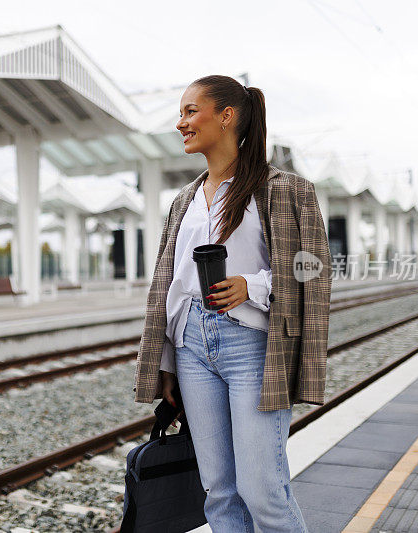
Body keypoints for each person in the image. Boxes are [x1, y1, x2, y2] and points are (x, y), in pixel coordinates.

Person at [133, 74, 332, 532]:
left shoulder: (285, 189)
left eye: (189, 111)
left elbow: (313, 269)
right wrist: (166, 360)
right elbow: (172, 285)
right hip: (191, 350)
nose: (180, 122)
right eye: (181, 112)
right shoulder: (184, 200)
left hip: (253, 347)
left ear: (226, 117)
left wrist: (254, 286)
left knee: (263, 490)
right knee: (219, 491)